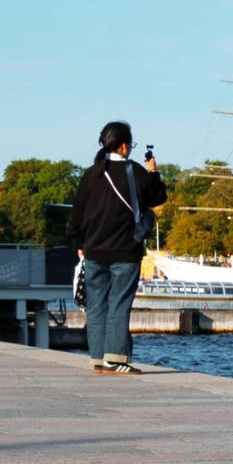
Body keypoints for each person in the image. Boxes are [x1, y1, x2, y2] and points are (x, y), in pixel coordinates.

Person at [69, 122, 167, 374]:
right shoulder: (135, 171)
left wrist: (79, 243)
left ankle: (98, 359)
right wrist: (153, 171)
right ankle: (115, 359)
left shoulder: (91, 174)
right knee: (119, 304)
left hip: (94, 251)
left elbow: (77, 213)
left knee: (97, 305)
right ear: (123, 145)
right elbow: (157, 198)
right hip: (125, 251)